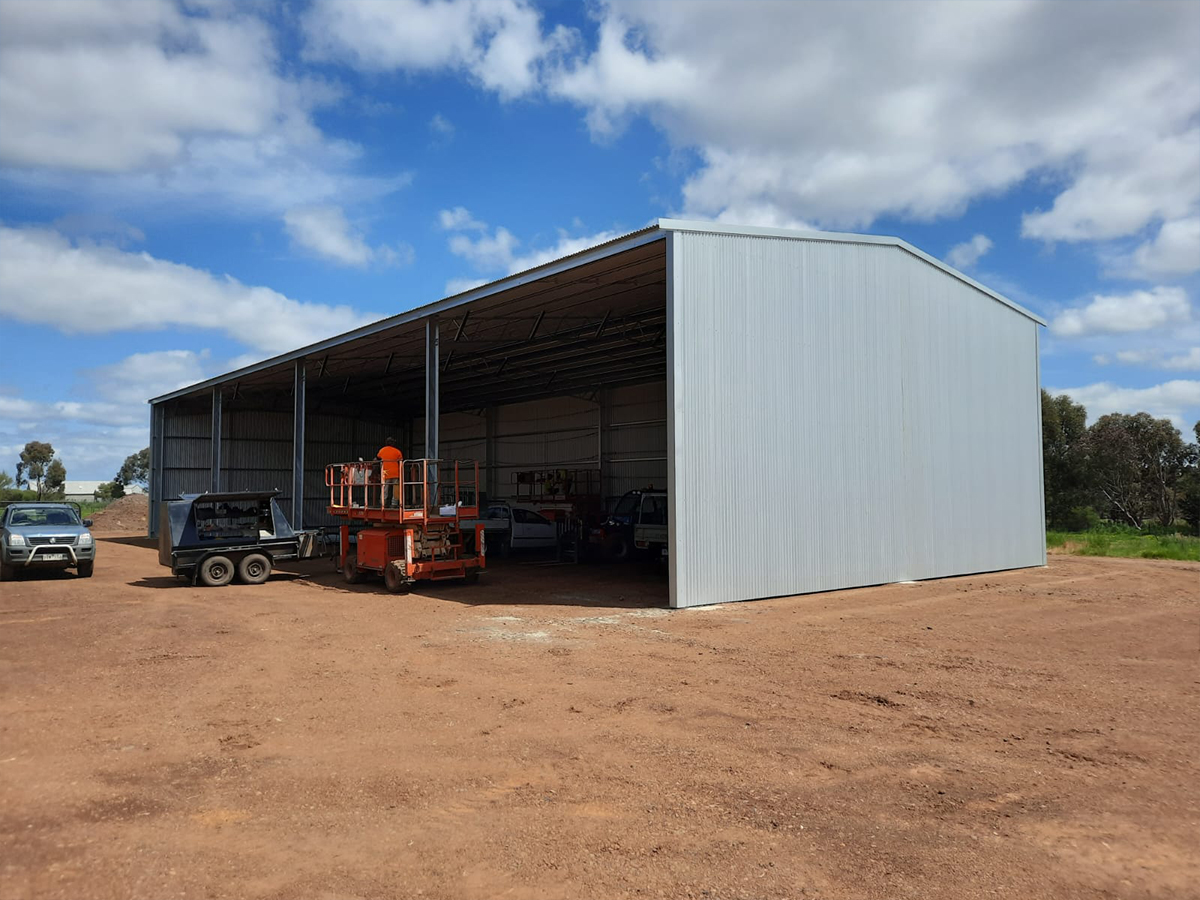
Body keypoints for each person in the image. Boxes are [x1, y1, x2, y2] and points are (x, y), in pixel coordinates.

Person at [377, 437, 404, 508]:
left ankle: (383, 503)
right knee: (395, 489)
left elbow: (378, 458)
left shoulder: (382, 450)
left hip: (385, 473)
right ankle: (394, 504)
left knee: (385, 489)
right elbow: (401, 460)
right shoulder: (397, 451)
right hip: (395, 473)